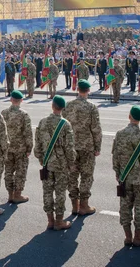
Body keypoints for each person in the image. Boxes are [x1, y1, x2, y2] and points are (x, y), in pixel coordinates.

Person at [113, 105, 140, 247]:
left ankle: (128, 237)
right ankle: (138, 237)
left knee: (125, 206)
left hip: (124, 178)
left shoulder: (120, 134)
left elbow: (116, 157)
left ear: (129, 117)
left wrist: (118, 174)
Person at [35, 95, 76, 230]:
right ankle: (59, 221)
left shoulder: (42, 122)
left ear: (52, 106)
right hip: (61, 164)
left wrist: (41, 158)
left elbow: (38, 144)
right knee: (60, 193)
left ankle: (50, 221)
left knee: (47, 192)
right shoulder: (65, 124)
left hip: (47, 164)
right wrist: (71, 163)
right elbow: (69, 148)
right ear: (63, 108)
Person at [63, 79, 102, 215]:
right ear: (88, 91)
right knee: (87, 175)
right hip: (87, 146)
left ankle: (75, 205)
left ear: (77, 90)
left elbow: (63, 127)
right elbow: (96, 129)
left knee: (72, 175)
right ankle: (84, 205)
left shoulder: (68, 106)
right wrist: (98, 147)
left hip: (71, 146)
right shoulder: (91, 107)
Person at [1, 90, 33, 204]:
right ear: (21, 101)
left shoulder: (3, 113)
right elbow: (28, 133)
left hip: (7, 148)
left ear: (11, 99)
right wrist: (29, 148)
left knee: (8, 171)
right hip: (20, 148)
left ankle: (10, 194)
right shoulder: (23, 114)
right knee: (21, 171)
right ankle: (17, 195)